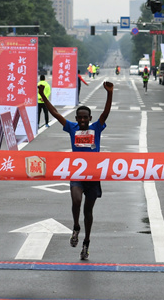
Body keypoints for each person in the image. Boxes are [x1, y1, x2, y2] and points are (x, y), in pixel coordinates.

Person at [38, 80, 114, 261]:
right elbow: (55, 113)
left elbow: (105, 113)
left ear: (90, 118)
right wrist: (42, 95)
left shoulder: (96, 127)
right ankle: (75, 227)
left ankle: (86, 242)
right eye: (79, 117)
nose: (81, 120)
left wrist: (110, 93)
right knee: (76, 201)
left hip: (93, 177)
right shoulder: (72, 128)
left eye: (85, 117)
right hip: (77, 175)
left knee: (89, 211)